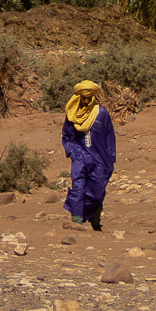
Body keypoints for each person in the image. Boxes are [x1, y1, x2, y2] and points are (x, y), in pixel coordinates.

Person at [61, 78, 116, 230]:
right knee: (78, 188)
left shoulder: (101, 114)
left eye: (88, 98)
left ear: (93, 97)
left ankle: (94, 217)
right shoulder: (72, 114)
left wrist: (110, 160)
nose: (85, 101)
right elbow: (66, 137)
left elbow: (109, 137)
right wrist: (73, 152)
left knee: (97, 192)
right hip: (79, 158)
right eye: (83, 98)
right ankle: (76, 221)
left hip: (99, 159)